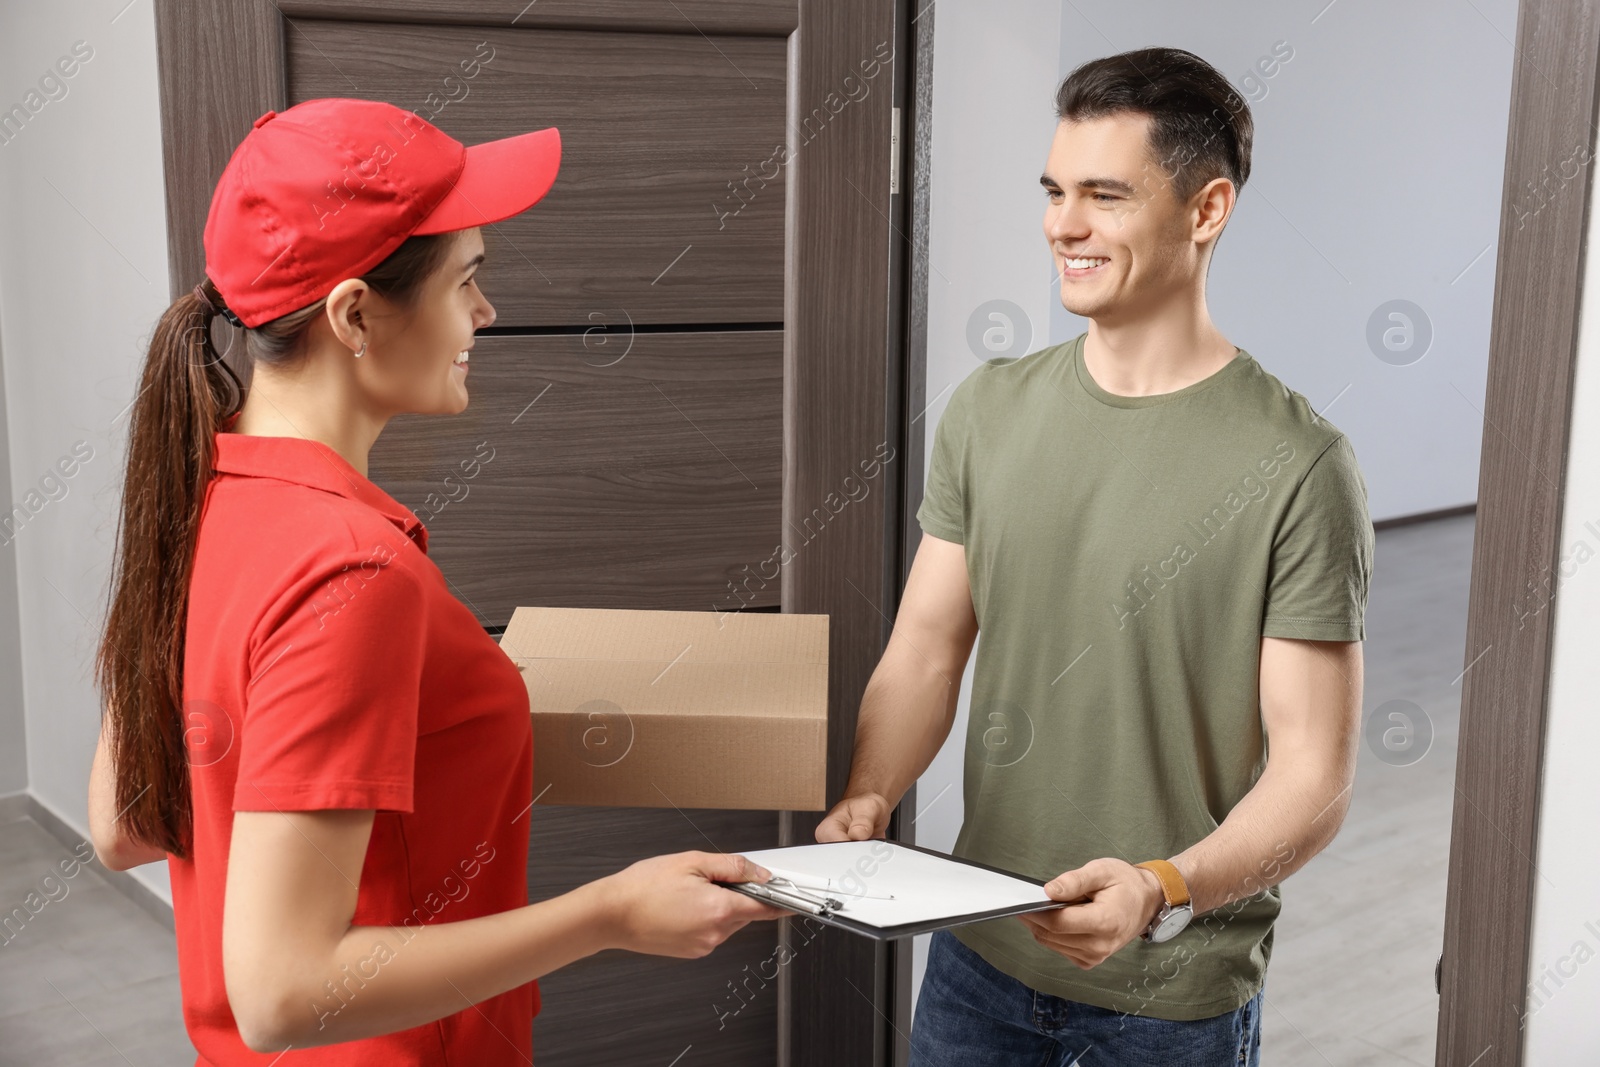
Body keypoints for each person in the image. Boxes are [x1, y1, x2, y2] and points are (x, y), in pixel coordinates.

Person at [86, 97, 783, 1065]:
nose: (485, 314)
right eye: (467, 281)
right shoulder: (349, 569)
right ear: (355, 314)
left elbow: (123, 822)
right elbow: (281, 991)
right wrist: (608, 911)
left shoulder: (197, 499)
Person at [816, 46, 1373, 1066]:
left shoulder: (1298, 465)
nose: (1062, 225)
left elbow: (1313, 776)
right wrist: (869, 789)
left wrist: (1163, 883)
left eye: (1103, 195)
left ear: (1206, 210)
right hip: (977, 959)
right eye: (1055, 190)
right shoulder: (987, 411)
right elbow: (926, 649)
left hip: (1169, 994)